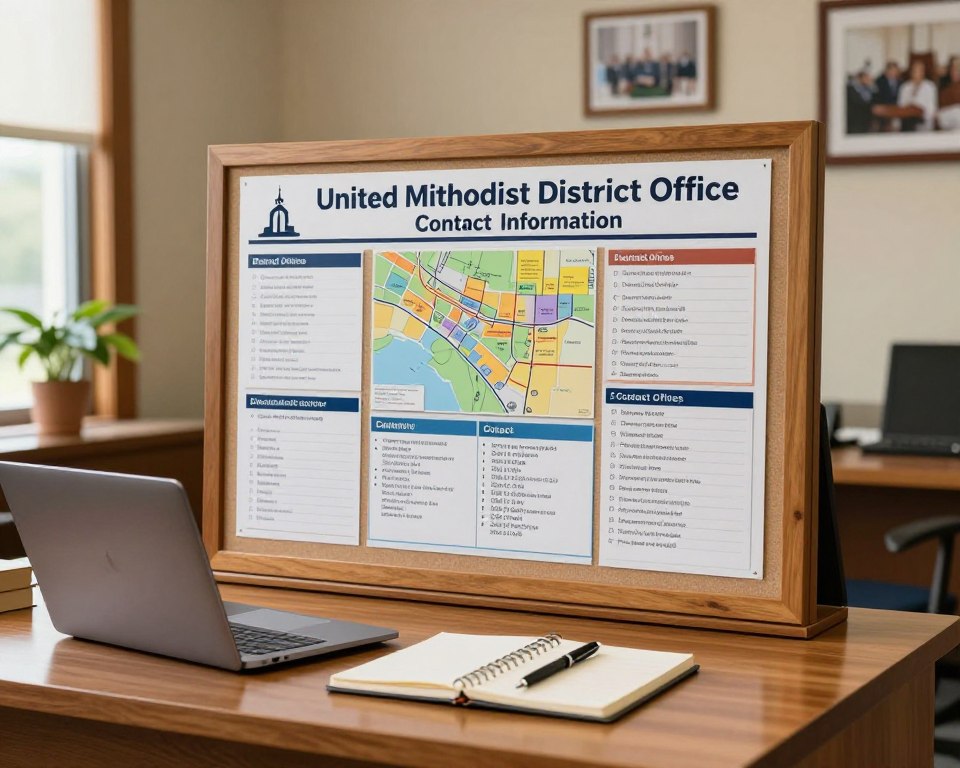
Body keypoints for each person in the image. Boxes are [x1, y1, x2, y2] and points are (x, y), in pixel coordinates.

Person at [897, 59, 937, 131]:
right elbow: (901, 106)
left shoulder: (930, 87)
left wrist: (919, 111)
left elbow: (932, 109)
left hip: (923, 120)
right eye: (914, 70)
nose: (917, 73)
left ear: (923, 72)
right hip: (907, 120)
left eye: (920, 70)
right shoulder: (904, 87)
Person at [938, 56, 960, 131]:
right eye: (953, 70)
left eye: (957, 70)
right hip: (946, 115)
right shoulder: (944, 84)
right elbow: (941, 107)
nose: (955, 72)